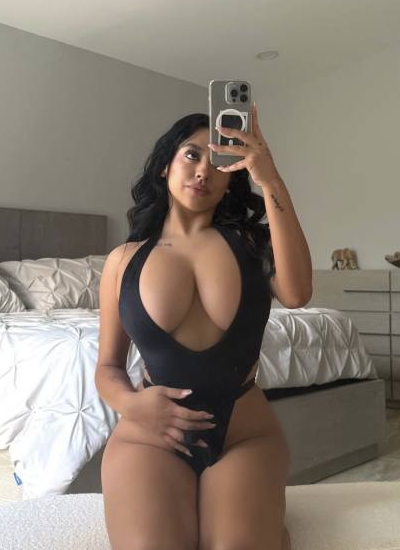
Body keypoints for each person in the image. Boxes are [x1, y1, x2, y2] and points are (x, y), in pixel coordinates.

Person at [94, 101, 313, 550]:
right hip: (150, 438)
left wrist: (270, 178)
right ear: (165, 166)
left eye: (217, 163)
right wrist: (133, 405)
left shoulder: (251, 244)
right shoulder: (123, 261)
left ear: (232, 176)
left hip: (243, 435)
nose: (202, 172)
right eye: (191, 155)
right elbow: (108, 367)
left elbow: (297, 294)